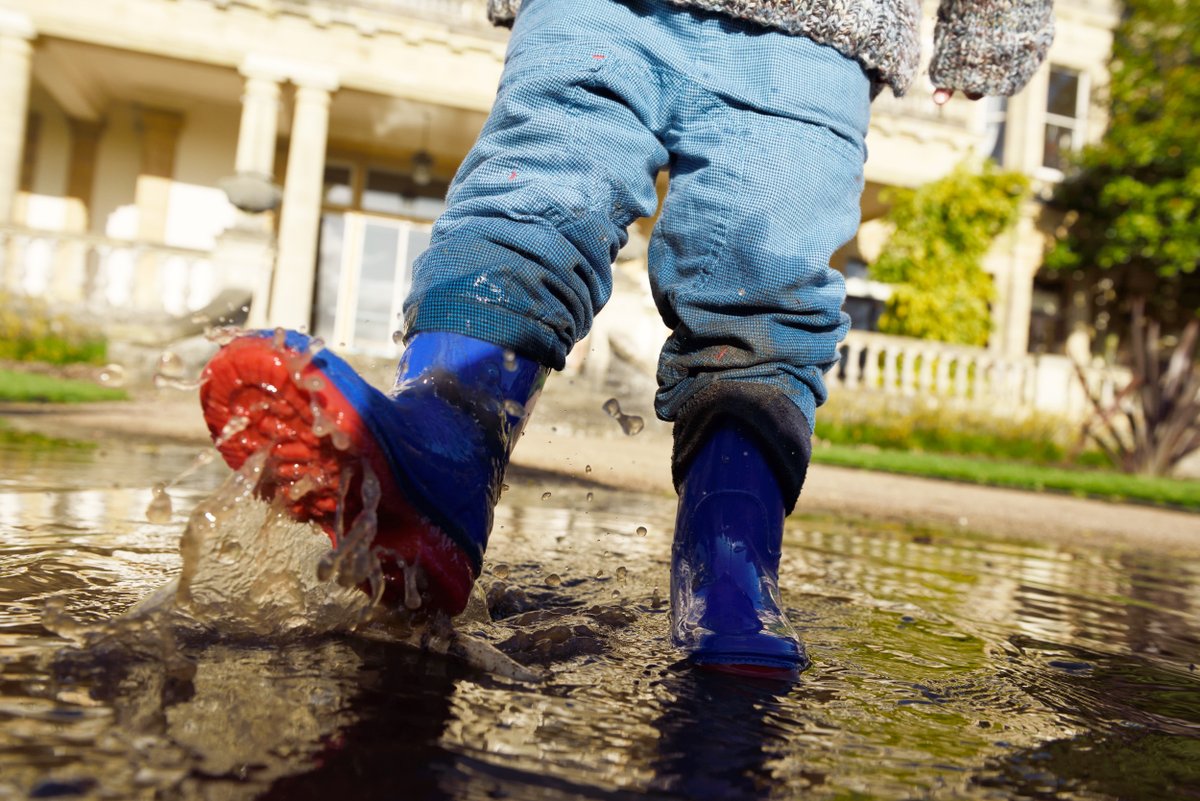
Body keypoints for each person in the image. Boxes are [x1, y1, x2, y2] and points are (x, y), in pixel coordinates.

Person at [200, 0, 1054, 679]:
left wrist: (991, 27)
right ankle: (443, 456)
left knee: (764, 284)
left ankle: (729, 565)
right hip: (603, 9)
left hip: (816, 31)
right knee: (527, 202)